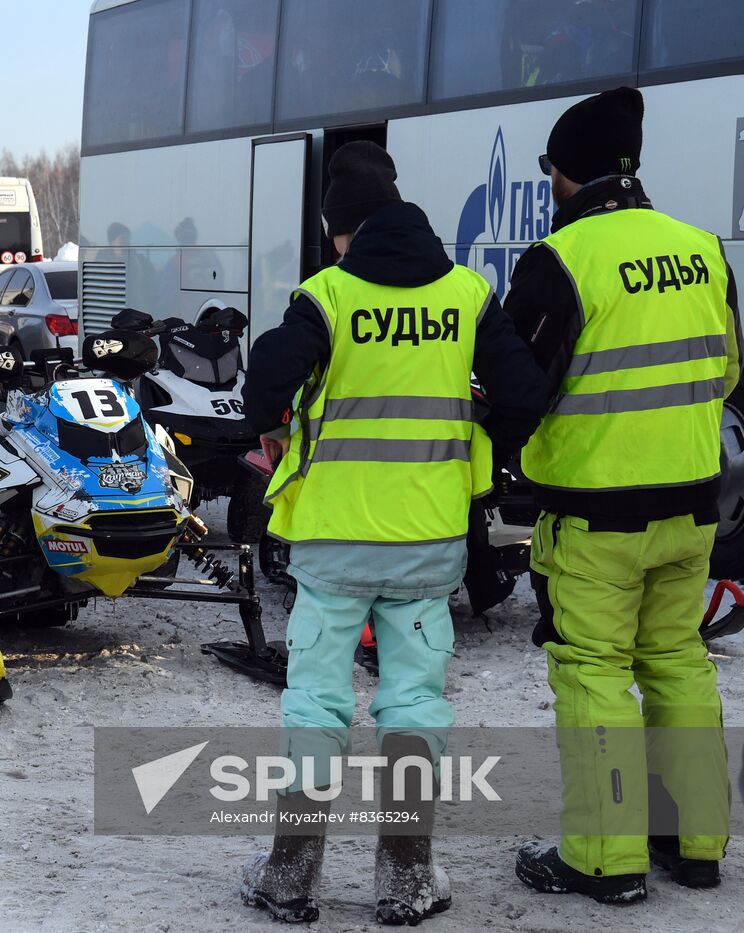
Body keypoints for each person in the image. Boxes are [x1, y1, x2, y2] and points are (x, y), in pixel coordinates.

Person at [238, 141, 546, 925]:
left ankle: (289, 873)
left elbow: (265, 385)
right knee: (413, 701)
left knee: (316, 699)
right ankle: (407, 875)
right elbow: (525, 392)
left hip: (334, 543)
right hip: (427, 544)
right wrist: (480, 436)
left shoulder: (328, 296)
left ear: (339, 228)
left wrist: (285, 419)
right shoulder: (467, 293)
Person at [506, 87, 737, 904]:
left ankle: (606, 859)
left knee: (593, 669)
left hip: (597, 513)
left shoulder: (561, 261)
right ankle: (697, 845)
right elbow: (728, 370)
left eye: (548, 169)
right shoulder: (704, 249)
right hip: (694, 507)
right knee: (677, 661)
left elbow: (518, 388)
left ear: (568, 175)